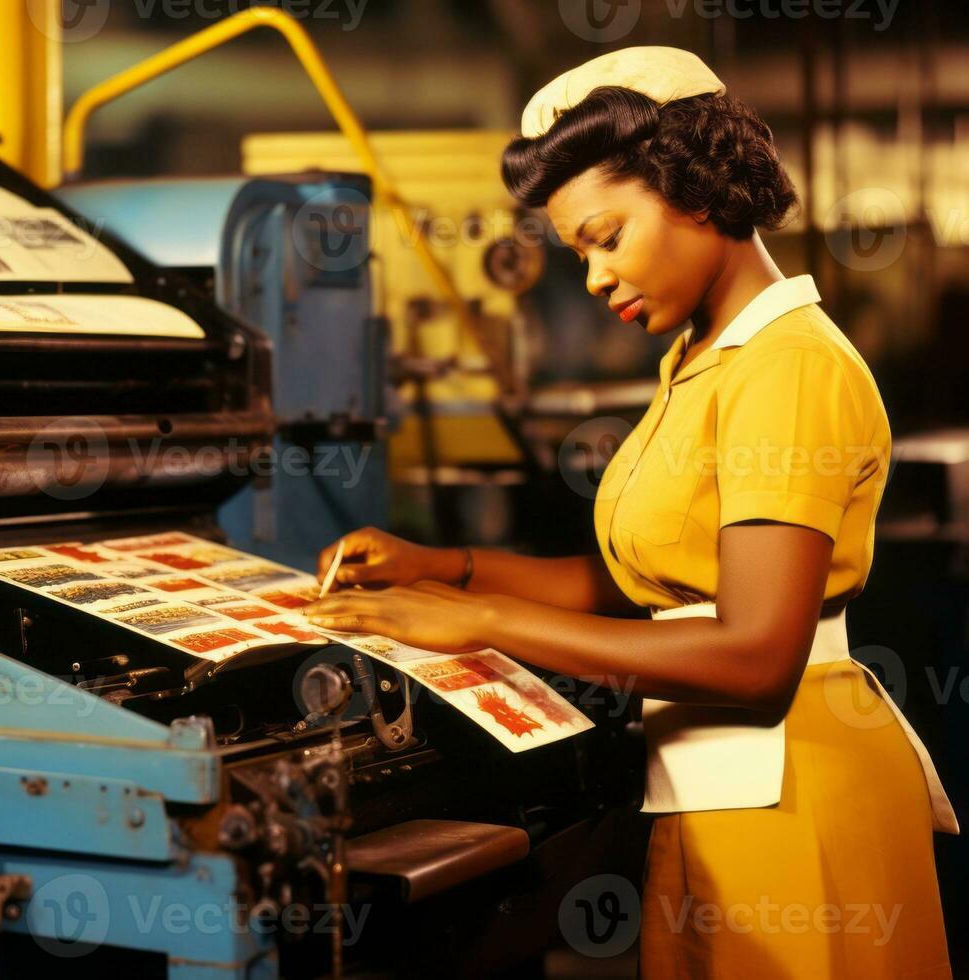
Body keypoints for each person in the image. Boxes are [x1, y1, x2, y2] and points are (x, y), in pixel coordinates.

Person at [303, 46, 958, 978]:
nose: (596, 278)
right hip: (715, 788)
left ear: (693, 189)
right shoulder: (704, 361)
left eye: (606, 237)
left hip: (795, 803)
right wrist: (441, 567)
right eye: (580, 254)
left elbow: (755, 656)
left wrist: (483, 623)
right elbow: (633, 586)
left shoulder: (787, 368)